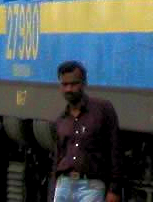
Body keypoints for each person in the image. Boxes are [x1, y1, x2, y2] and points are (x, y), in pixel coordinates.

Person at [52, 61, 121, 202]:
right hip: (64, 185)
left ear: (84, 83)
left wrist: (114, 189)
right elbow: (57, 157)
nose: (69, 89)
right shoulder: (61, 120)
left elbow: (115, 150)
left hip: (91, 186)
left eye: (73, 84)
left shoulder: (103, 110)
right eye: (64, 85)